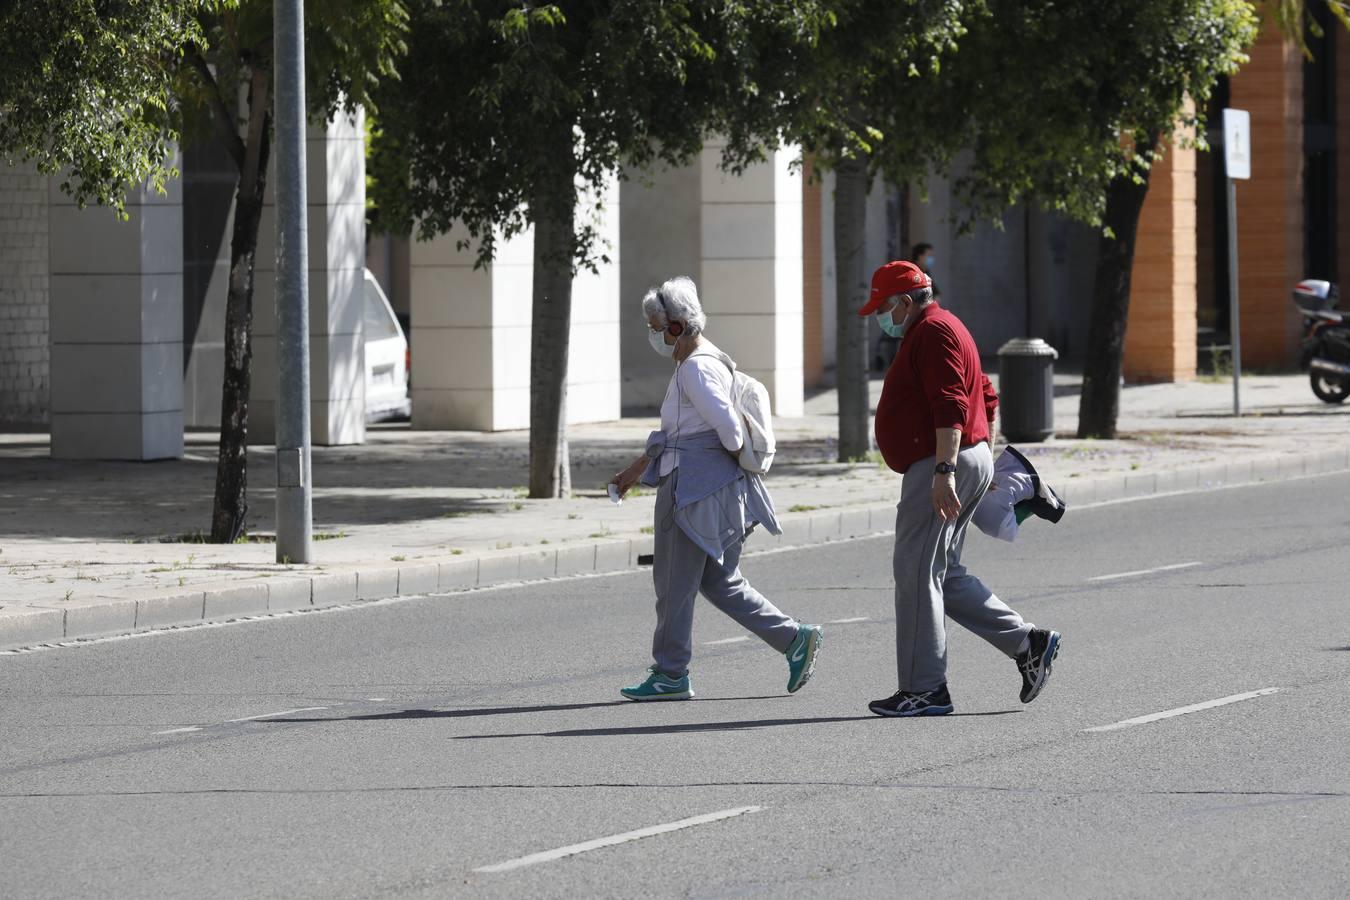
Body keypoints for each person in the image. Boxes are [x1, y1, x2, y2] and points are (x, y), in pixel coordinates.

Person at [858, 260, 1061, 717]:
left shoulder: (932, 332)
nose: (879, 317)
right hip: (958, 457)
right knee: (940, 572)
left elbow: (951, 404)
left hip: (940, 462)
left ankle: (924, 689)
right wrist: (978, 455)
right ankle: (1028, 644)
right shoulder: (943, 327)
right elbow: (985, 396)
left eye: (883, 307)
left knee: (915, 571)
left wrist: (948, 469)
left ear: (904, 302)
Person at [609, 276, 823, 701]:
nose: (653, 334)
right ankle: (794, 639)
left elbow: (728, 432)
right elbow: (682, 432)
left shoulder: (695, 369)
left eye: (656, 326)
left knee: (673, 585)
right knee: (720, 582)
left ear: (676, 326)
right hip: (715, 487)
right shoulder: (706, 360)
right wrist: (638, 469)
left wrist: (702, 458)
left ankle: (670, 673)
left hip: (690, 492)